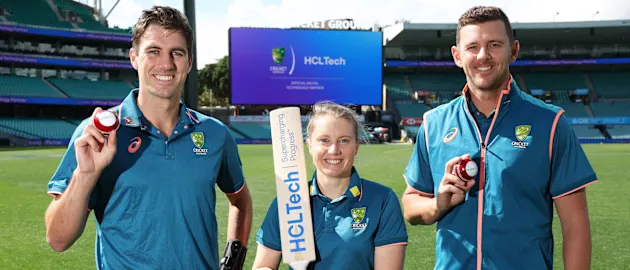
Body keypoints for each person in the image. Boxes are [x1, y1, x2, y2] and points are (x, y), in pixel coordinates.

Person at [44, 6, 253, 269]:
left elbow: (240, 200)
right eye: (153, 51)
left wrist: (234, 258)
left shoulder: (214, 133)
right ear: (134, 57)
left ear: (189, 62)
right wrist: (85, 176)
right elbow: (57, 239)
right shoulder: (99, 133)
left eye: (176, 53)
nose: (166, 64)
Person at [401, 6, 597, 270]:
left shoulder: (550, 123)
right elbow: (411, 205)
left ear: (513, 50)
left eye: (494, 44)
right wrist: (439, 203)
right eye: (472, 47)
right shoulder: (434, 124)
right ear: (457, 56)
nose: (483, 56)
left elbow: (575, 224)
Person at [252, 102, 408, 270]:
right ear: (309, 145)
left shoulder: (382, 200)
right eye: (324, 140)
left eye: (343, 140)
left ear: (356, 146)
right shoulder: (288, 200)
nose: (334, 150)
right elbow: (263, 266)